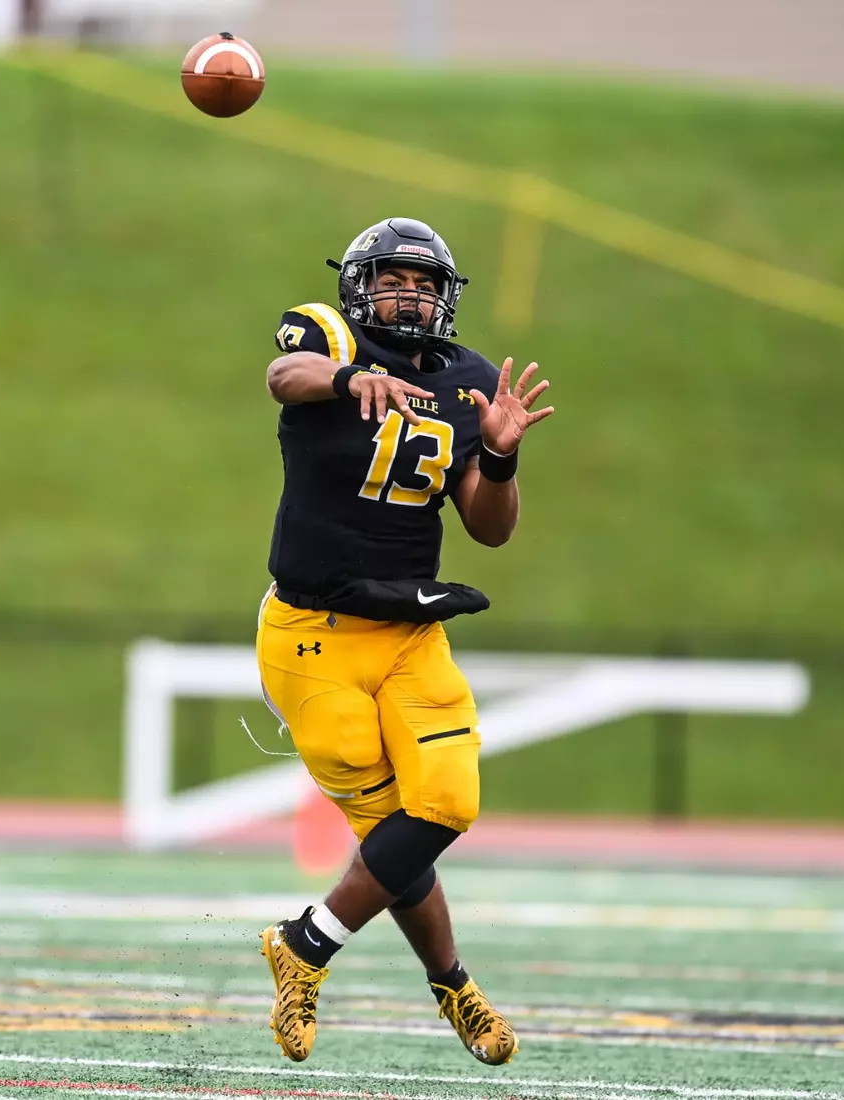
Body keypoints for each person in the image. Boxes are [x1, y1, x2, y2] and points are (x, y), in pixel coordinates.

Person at [253, 217, 554, 1065]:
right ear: (359, 283)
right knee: (395, 833)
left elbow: (490, 530)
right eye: (393, 279)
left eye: (425, 284)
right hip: (313, 636)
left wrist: (497, 459)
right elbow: (286, 376)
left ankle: (304, 945)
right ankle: (453, 983)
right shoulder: (328, 334)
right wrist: (351, 380)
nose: (409, 294)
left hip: (410, 632)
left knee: (446, 806)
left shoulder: (469, 381)